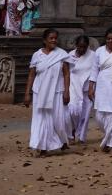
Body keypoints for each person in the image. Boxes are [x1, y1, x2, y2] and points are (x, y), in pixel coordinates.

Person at [24, 28, 70, 157]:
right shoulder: (37, 55)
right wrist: (27, 93)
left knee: (58, 121)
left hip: (56, 92)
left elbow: (66, 74)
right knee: (42, 120)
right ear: (45, 40)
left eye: (55, 38)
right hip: (40, 92)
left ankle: (62, 140)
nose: (54, 40)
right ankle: (43, 147)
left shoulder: (61, 54)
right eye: (51, 38)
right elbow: (31, 75)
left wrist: (67, 91)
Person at [66, 35, 96, 144]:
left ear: (88, 46)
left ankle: (82, 136)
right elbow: (66, 72)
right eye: (80, 46)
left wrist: (92, 87)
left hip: (87, 88)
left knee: (85, 114)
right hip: (73, 86)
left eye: (84, 47)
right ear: (76, 45)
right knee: (72, 110)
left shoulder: (93, 55)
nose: (82, 49)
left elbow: (95, 72)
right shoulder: (70, 55)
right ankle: (72, 131)